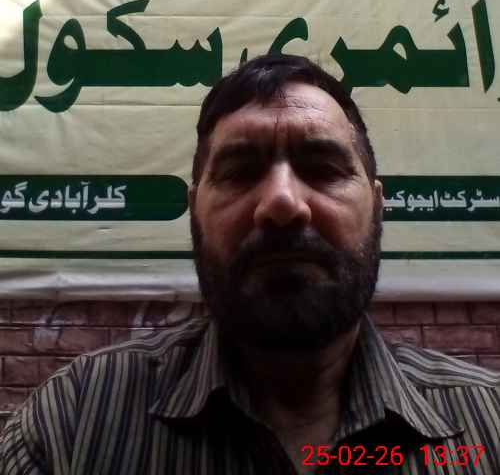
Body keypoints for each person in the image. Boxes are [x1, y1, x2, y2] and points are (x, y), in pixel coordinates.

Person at [1, 53, 499, 474]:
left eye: (323, 169)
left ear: (377, 206)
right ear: (195, 210)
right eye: (240, 172)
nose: (282, 203)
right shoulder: (71, 425)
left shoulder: (487, 425)